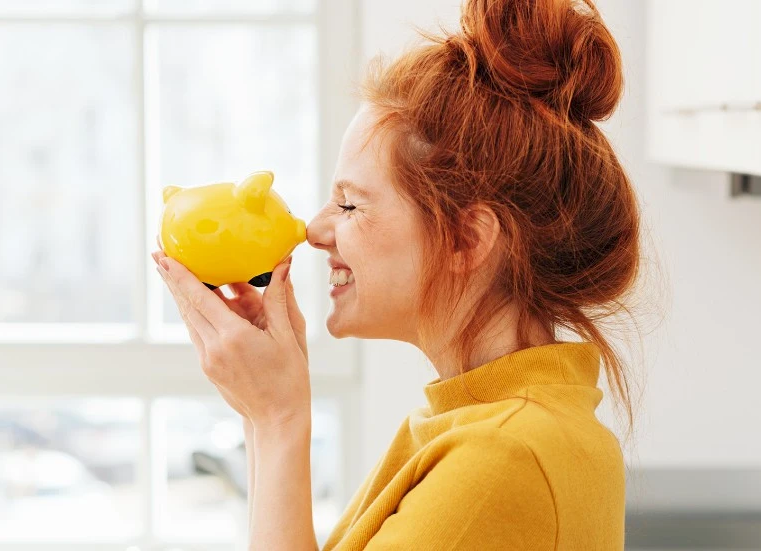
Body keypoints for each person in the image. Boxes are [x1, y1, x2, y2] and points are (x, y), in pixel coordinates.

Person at [153, 0, 647, 548]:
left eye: (350, 205)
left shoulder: (502, 457)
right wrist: (258, 410)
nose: (315, 232)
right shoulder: (478, 425)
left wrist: (278, 419)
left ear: (466, 239)